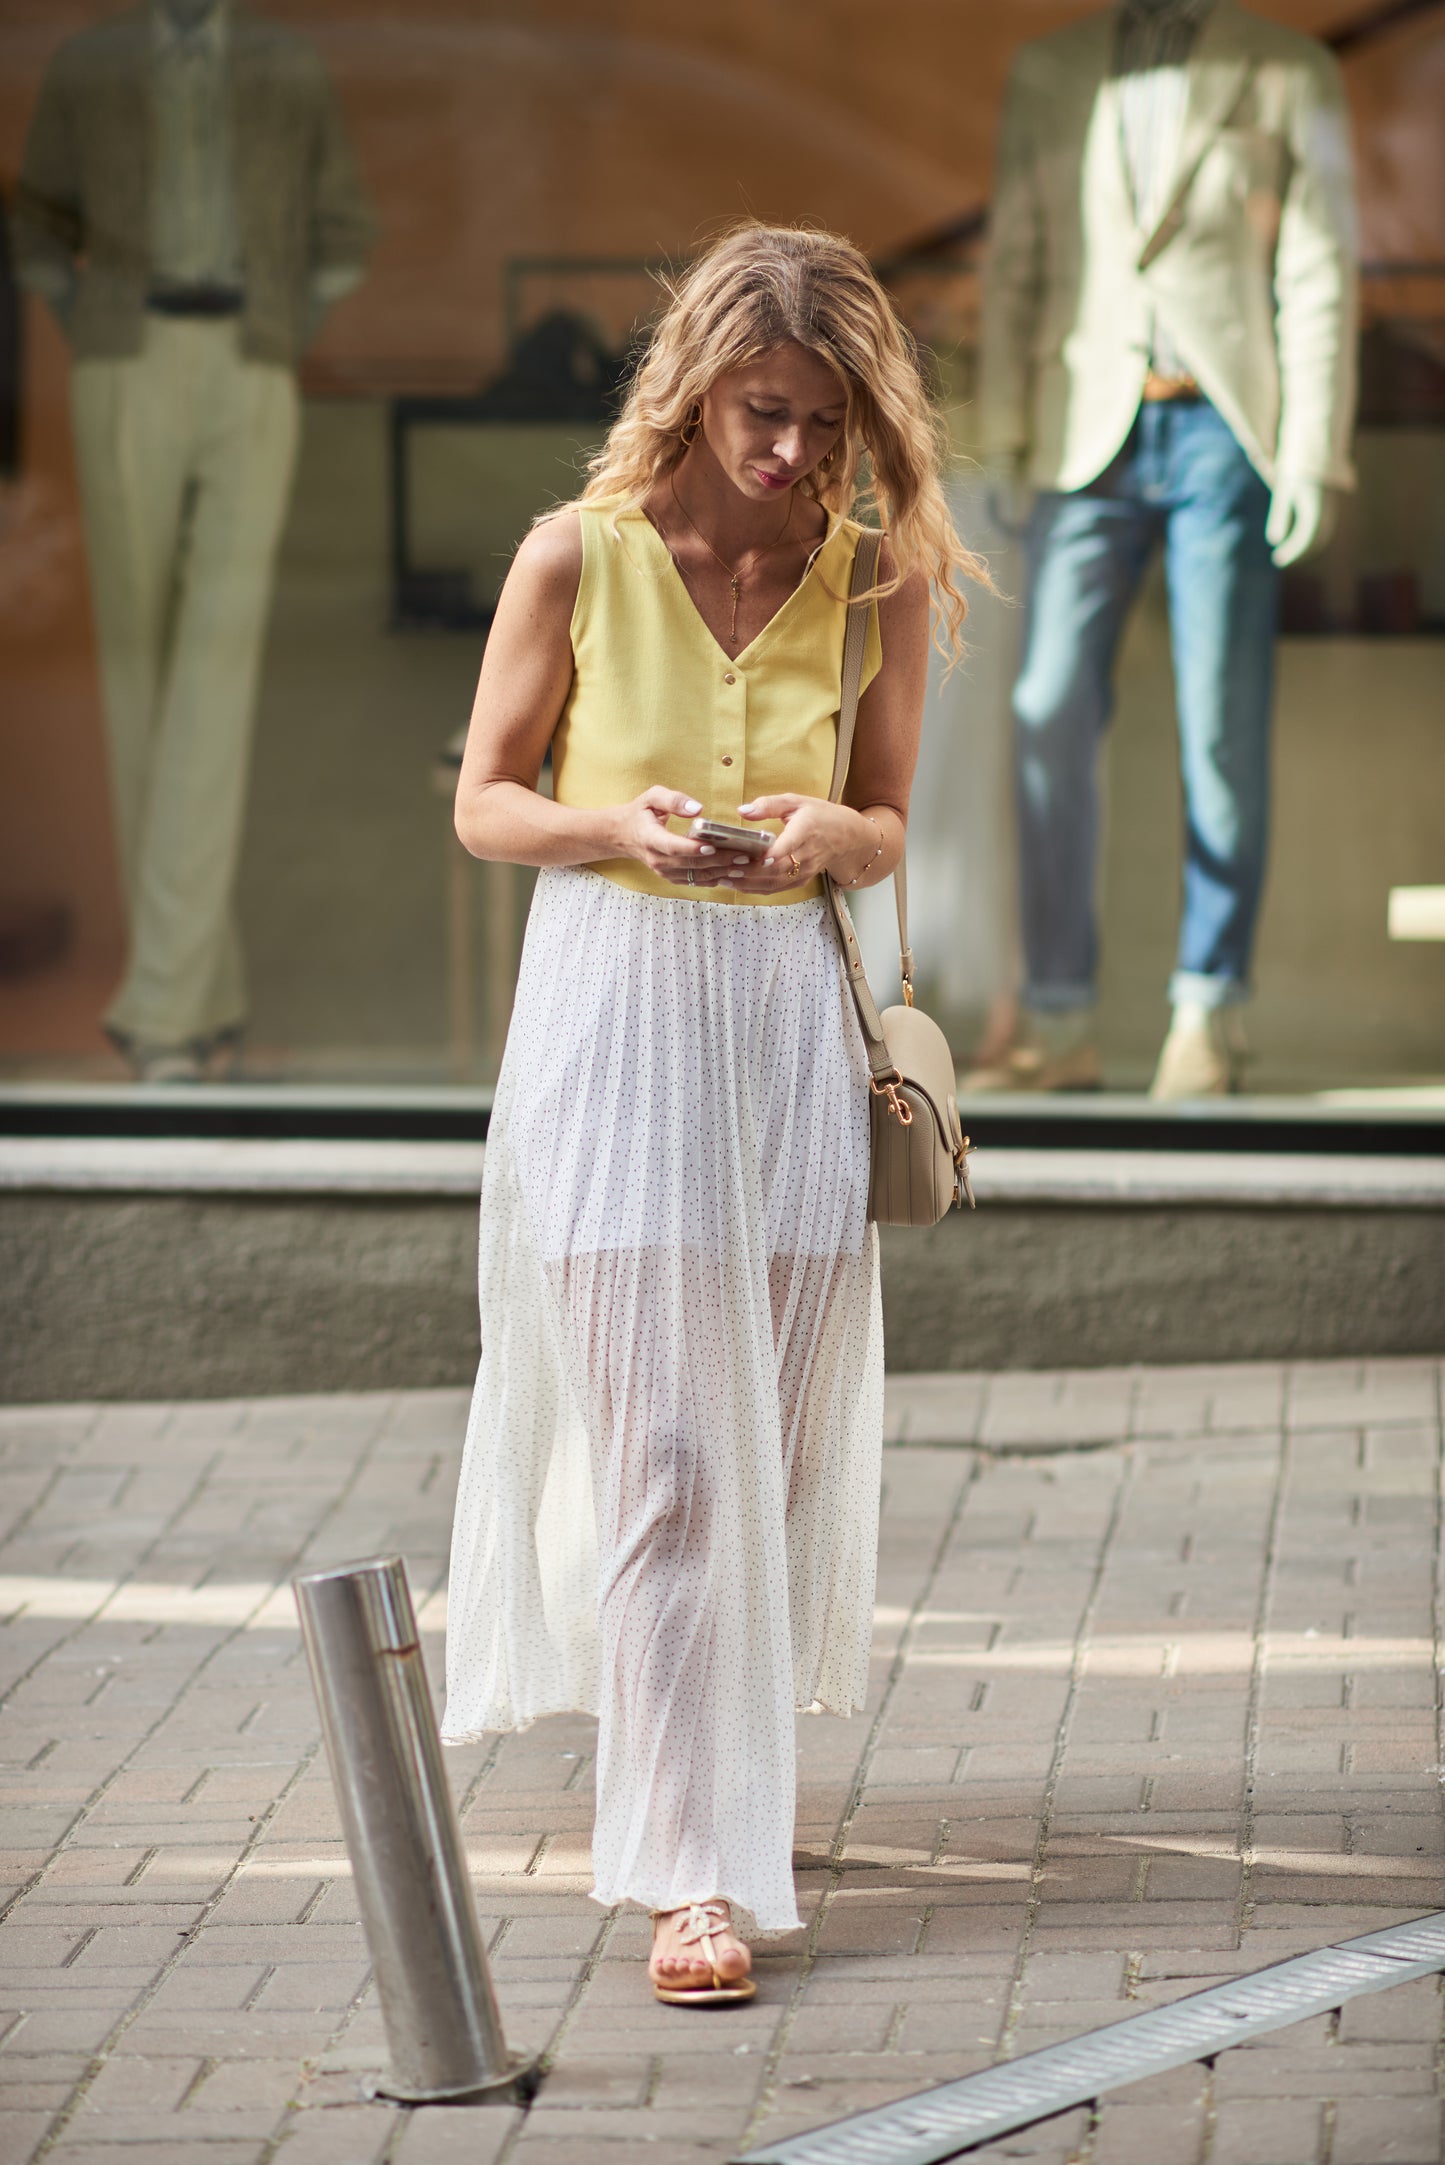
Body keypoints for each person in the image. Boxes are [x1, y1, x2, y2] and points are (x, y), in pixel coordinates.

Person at [441, 224, 986, 2002]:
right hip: (614, 1009)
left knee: (768, 1450)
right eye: (767, 415)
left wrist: (843, 838)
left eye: (829, 429)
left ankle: (707, 1762)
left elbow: (890, 813)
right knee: (675, 1459)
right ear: (695, 388)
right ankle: (696, 1871)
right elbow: (486, 805)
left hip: (785, 1028)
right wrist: (617, 828)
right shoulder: (574, 558)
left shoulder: (876, 576)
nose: (795, 458)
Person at [974, 0, 1357, 1097]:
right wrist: (1002, 427)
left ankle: (1207, 1004)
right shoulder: (1048, 70)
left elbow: (1317, 265)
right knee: (1045, 703)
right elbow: (1017, 261)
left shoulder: (1284, 68)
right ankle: (1058, 1018)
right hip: (1087, 428)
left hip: (1221, 432)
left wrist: (1308, 452)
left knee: (1219, 724)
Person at [13, 0, 374, 1080]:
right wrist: (84, 325)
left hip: (246, 357)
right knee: (138, 669)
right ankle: (189, 995)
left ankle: (168, 1008)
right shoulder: (89, 64)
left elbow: (344, 228)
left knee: (215, 670)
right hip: (123, 358)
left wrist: (284, 330)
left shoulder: (285, 67)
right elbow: (34, 225)